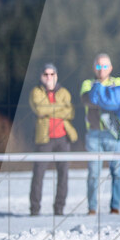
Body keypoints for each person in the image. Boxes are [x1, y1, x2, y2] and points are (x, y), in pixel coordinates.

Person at [81, 53, 120, 215]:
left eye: (105, 66)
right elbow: (88, 101)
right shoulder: (87, 83)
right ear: (94, 68)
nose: (101, 69)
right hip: (94, 134)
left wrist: (100, 94)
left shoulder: (118, 82)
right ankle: (92, 208)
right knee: (93, 173)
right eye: (98, 66)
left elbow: (118, 101)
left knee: (117, 172)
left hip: (114, 133)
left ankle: (115, 207)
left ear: (110, 68)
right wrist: (106, 96)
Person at [29, 63, 78, 215]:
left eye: (52, 74)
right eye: (46, 74)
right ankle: (35, 209)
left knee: (63, 175)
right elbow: (39, 109)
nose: (49, 77)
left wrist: (49, 109)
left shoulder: (64, 92)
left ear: (56, 76)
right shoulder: (36, 92)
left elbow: (70, 112)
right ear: (41, 76)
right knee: (38, 175)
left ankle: (59, 209)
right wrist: (59, 108)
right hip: (44, 139)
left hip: (63, 138)